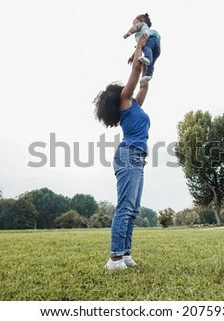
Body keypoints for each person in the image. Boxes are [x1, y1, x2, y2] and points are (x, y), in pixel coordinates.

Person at [94, 34, 151, 270]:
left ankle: (125, 255)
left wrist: (147, 57)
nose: (125, 89)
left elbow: (143, 82)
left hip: (136, 157)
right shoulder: (124, 101)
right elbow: (135, 75)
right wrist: (138, 46)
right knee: (125, 208)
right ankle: (114, 259)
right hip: (128, 156)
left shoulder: (133, 104)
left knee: (133, 210)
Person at [123, 13, 161, 87]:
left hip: (150, 39)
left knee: (147, 48)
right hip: (157, 44)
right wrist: (132, 56)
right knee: (152, 62)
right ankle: (148, 75)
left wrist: (129, 33)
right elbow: (138, 48)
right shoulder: (145, 31)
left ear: (140, 20)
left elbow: (135, 28)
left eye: (134, 22)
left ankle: (147, 58)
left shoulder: (141, 24)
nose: (134, 24)